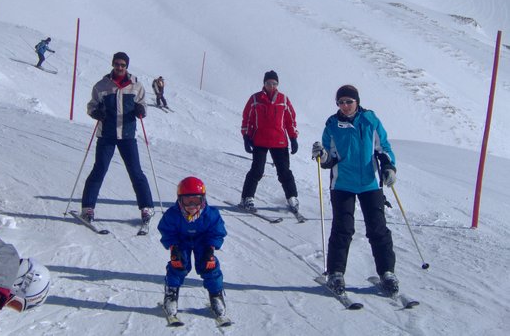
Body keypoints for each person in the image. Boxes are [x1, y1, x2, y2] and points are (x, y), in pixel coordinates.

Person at [312, 84, 399, 295]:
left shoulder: (370, 120)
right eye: (340, 102)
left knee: (378, 229)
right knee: (343, 229)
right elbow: (328, 159)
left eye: (348, 101)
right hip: (342, 184)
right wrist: (321, 155)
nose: (345, 106)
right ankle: (335, 273)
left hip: (370, 183)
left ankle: (387, 272)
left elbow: (383, 147)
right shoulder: (332, 125)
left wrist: (388, 166)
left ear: (357, 101)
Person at [80, 52, 155, 226]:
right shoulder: (102, 86)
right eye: (117, 64)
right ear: (113, 64)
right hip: (106, 135)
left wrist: (140, 110)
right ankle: (88, 207)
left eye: (122, 65)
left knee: (136, 171)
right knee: (99, 170)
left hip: (127, 135)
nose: (119, 67)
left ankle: (147, 207)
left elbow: (143, 104)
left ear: (127, 66)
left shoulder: (136, 85)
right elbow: (91, 105)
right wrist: (95, 113)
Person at [158, 177, 228, 319]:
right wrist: (173, 247)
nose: (191, 205)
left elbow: (217, 231)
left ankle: (216, 294)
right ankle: (171, 293)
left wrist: (211, 248)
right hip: (181, 241)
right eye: (187, 201)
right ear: (179, 200)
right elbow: (167, 231)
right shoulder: (173, 214)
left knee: (209, 264)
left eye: (195, 200)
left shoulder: (210, 214)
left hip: (203, 242)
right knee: (178, 264)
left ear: (202, 199)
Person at [239, 70, 300, 213]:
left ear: (277, 84)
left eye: (274, 83)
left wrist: (293, 138)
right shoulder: (255, 99)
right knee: (257, 170)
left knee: (284, 171)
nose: (271, 86)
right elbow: (246, 117)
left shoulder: (283, 100)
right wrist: (246, 136)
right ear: (264, 84)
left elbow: (290, 120)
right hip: (259, 140)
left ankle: (292, 197)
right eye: (268, 83)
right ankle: (247, 198)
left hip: (279, 141)